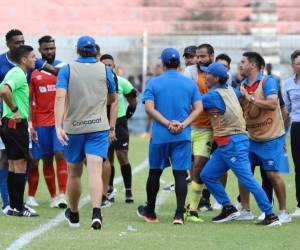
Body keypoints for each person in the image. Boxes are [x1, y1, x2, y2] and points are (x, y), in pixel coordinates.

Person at [199, 62, 281, 226]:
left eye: (207, 74)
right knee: (207, 175)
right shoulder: (230, 90)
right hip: (228, 143)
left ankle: (271, 215)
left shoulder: (212, 96)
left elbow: (194, 106)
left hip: (232, 143)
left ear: (215, 78)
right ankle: (229, 208)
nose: (204, 76)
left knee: (247, 179)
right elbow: (239, 95)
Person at [55, 36, 117, 230]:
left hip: (75, 128)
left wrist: (58, 125)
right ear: (95, 52)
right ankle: (96, 212)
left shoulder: (67, 69)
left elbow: (59, 97)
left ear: (77, 50)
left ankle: (73, 214)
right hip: (98, 127)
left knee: (74, 173)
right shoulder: (105, 69)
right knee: (95, 171)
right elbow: (112, 97)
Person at [137, 48, 202, 225]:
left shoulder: (154, 82)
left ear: (163, 64)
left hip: (160, 136)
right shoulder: (189, 83)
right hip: (182, 135)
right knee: (180, 175)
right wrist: (183, 124)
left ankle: (150, 212)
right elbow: (199, 108)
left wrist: (167, 123)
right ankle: (179, 215)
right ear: (179, 64)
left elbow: (149, 108)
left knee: (155, 173)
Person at [238, 52, 291, 223]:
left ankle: (284, 211)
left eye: (243, 62)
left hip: (270, 138)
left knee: (272, 175)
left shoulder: (267, 82)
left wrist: (249, 98)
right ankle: (246, 210)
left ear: (253, 65)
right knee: (243, 173)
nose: (240, 65)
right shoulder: (241, 85)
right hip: (251, 137)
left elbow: (272, 103)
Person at [27, 35, 68, 208]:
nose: (50, 51)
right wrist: (30, 123)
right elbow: (28, 99)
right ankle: (53, 197)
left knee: (60, 154)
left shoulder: (63, 68)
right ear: (40, 51)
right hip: (40, 122)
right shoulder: (32, 71)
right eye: (46, 49)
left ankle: (62, 194)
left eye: (52, 48)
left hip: (60, 121)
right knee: (46, 158)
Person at [0, 45, 38, 217]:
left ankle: (15, 207)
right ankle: (19, 207)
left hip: (10, 124)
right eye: (33, 56)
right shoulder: (17, 74)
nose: (35, 58)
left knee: (15, 165)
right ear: (24, 59)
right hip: (16, 124)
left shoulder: (15, 73)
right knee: (20, 165)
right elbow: (4, 90)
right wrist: (14, 110)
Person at [100, 54, 138, 203]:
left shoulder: (122, 82)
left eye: (110, 65)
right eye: (104, 65)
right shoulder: (97, 84)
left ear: (114, 66)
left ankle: (128, 190)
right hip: (102, 123)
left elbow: (133, 100)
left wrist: (128, 114)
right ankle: (109, 188)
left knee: (122, 156)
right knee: (107, 158)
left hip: (120, 123)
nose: (107, 67)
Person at [184, 44, 214, 220]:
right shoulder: (190, 71)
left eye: (203, 56)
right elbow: (187, 95)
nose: (199, 59)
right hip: (188, 126)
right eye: (198, 56)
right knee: (188, 166)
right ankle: (189, 204)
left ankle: (193, 208)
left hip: (207, 129)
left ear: (211, 56)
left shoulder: (217, 72)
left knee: (199, 166)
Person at [283, 50, 300, 217]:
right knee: (298, 167)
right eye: (298, 63)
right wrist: (282, 135)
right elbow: (286, 111)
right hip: (296, 127)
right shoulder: (288, 84)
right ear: (292, 65)